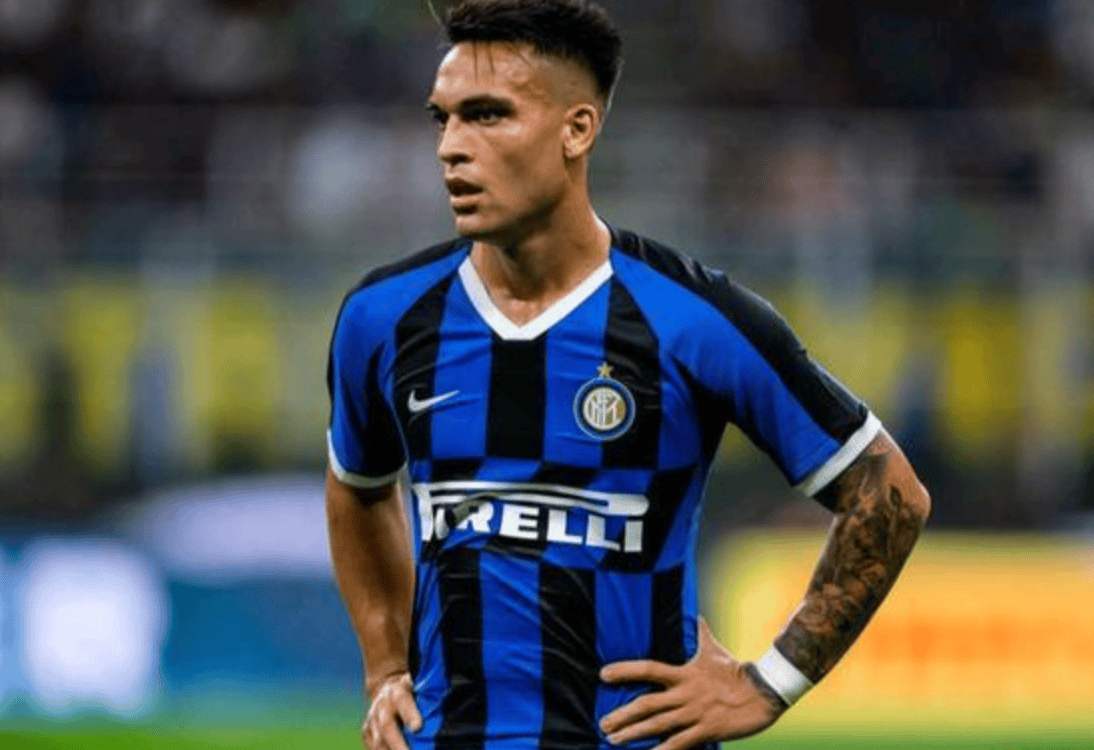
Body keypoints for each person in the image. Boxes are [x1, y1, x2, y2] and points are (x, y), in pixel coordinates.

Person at [324, 2, 931, 749]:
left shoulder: (695, 320)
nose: (452, 147)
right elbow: (357, 487)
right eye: (442, 119)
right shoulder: (382, 317)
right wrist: (386, 668)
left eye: (487, 116)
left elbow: (887, 492)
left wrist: (770, 682)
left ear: (577, 129)